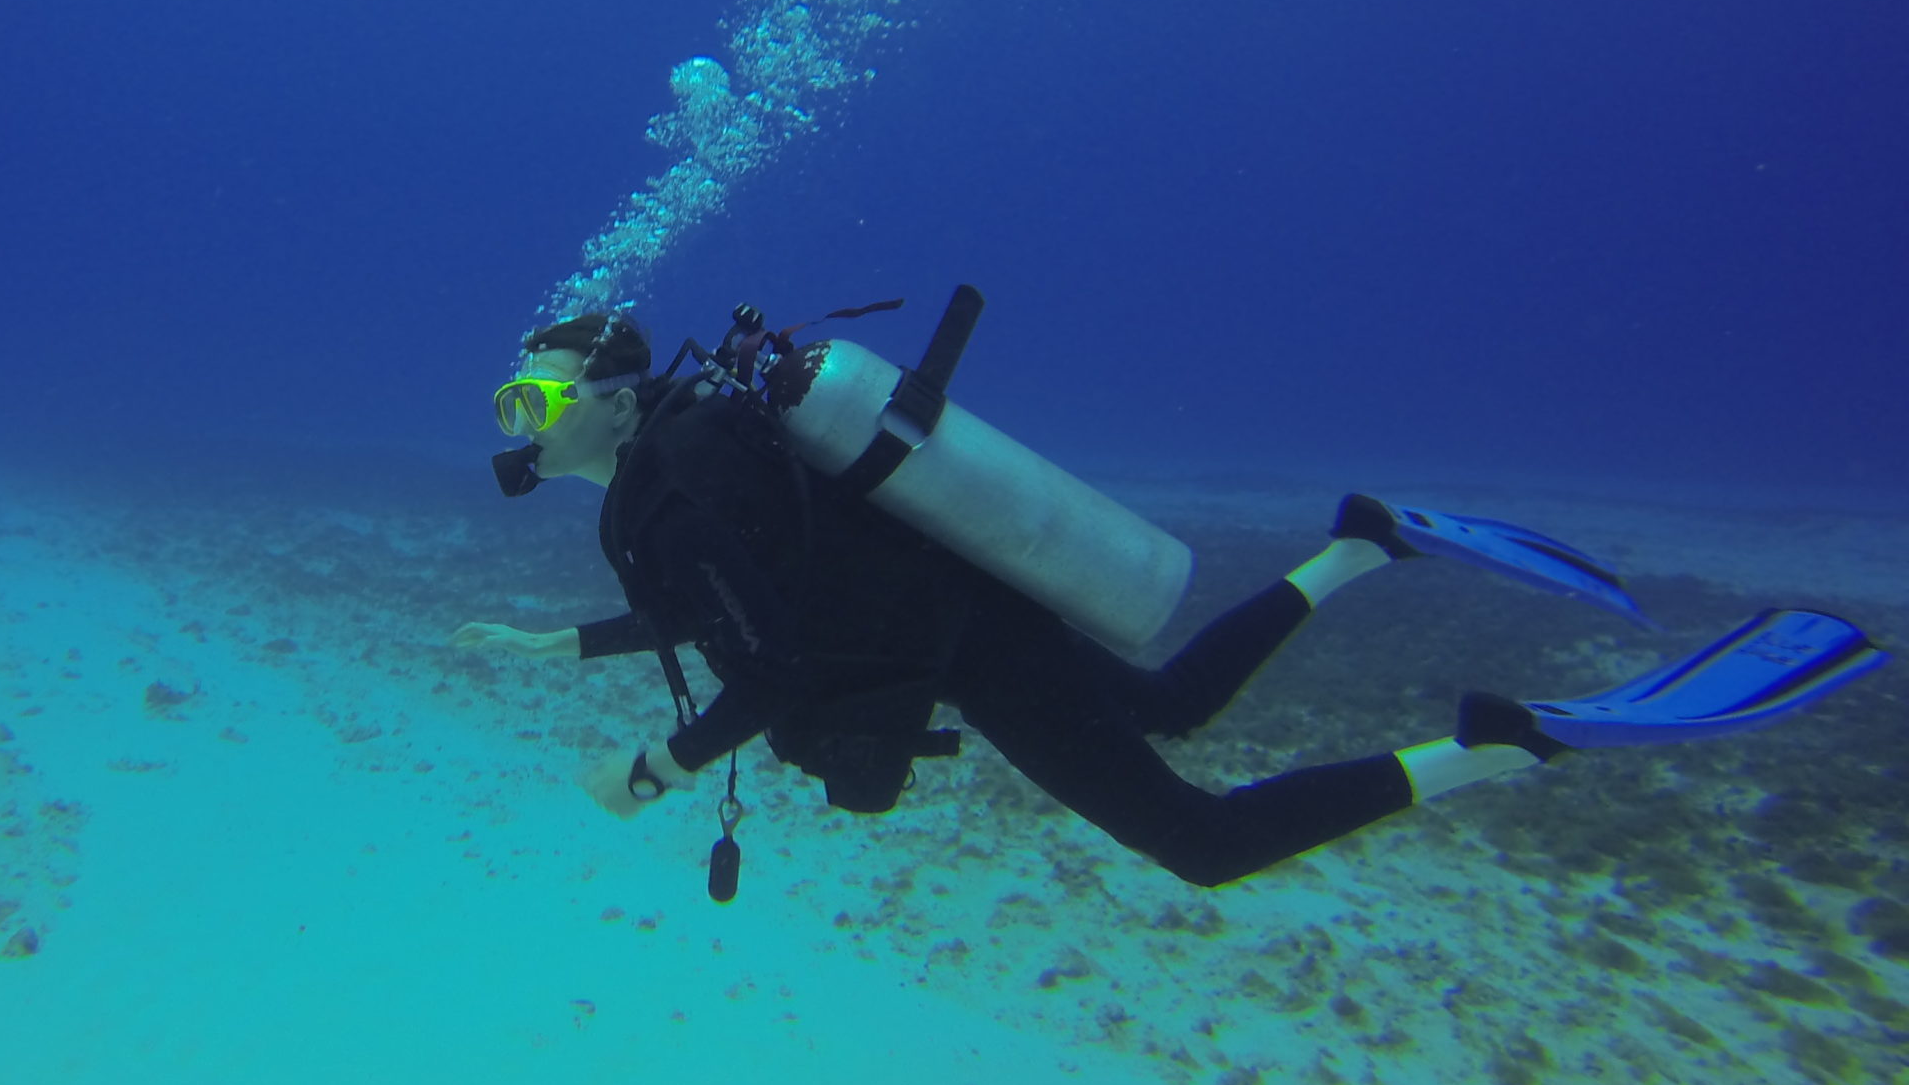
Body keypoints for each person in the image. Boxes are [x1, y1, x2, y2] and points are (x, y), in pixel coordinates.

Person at [454, 308, 1885, 889]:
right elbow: (742, 607)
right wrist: (563, 639)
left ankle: (1497, 743)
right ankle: (1364, 542)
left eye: (532, 396)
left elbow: (758, 666)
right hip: (954, 616)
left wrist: (649, 771)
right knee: (1177, 703)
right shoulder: (682, 466)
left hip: (951, 636)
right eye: (512, 399)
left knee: (1197, 842)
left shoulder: (680, 478)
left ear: (612, 395)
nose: (517, 423)